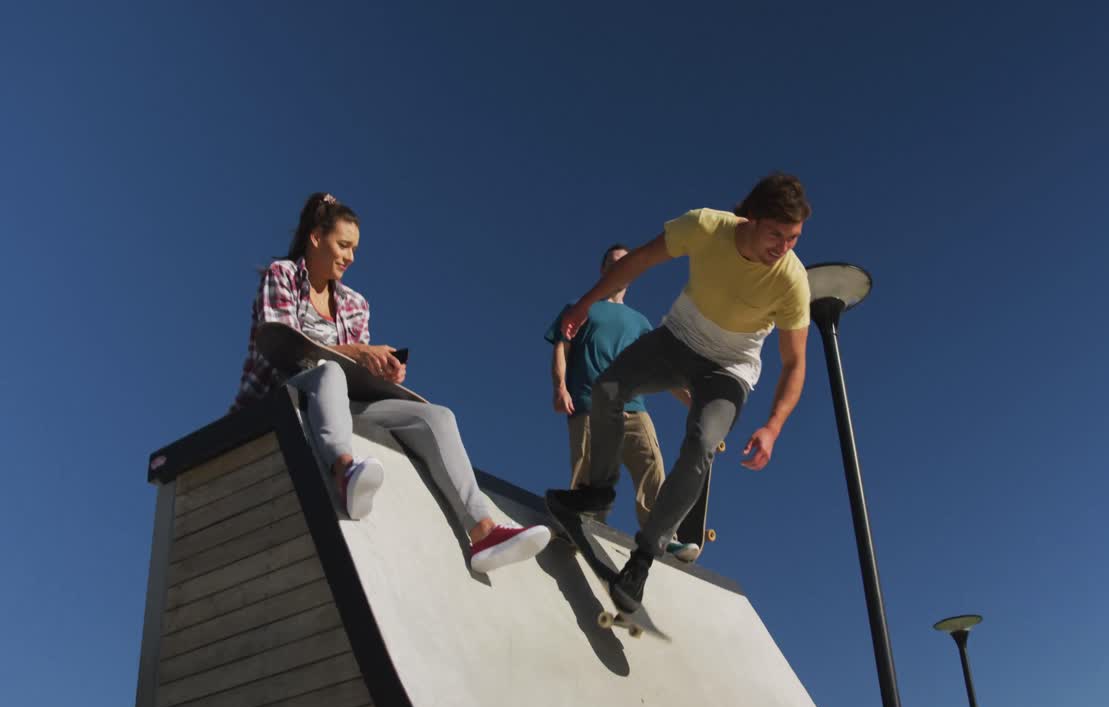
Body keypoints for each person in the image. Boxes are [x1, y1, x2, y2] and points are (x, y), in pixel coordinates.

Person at [233, 192, 550, 573]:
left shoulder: (355, 304)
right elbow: (285, 343)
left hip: (343, 398)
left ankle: (483, 531)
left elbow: (356, 366)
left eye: (355, 249)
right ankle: (345, 470)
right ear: (316, 238)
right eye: (343, 245)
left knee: (437, 416)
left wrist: (381, 369)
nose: (350, 256)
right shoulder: (282, 275)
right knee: (329, 371)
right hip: (281, 391)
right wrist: (357, 353)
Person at [546, 173, 812, 611]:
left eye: (794, 238)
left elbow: (794, 361)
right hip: (679, 340)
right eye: (776, 234)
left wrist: (773, 425)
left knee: (702, 444)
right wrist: (586, 303)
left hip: (731, 369)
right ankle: (598, 489)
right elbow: (640, 261)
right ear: (750, 218)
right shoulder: (706, 226)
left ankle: (645, 556)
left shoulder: (792, 281)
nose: (783, 248)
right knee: (610, 387)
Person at [545, 245, 699, 562]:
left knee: (650, 464)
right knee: (588, 470)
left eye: (626, 263)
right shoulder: (581, 306)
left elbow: (660, 369)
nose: (620, 268)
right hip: (588, 402)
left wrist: (695, 403)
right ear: (604, 270)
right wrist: (560, 387)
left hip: (632, 405)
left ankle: (661, 535)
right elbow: (562, 346)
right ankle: (583, 525)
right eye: (614, 263)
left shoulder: (640, 322)